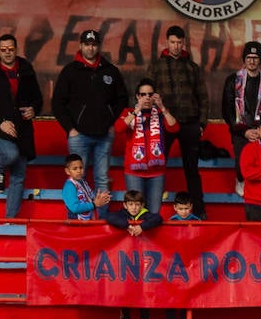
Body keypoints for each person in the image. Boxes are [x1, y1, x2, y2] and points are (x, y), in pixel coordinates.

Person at [0, 33, 43, 220]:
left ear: (16, 49)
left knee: (19, 176)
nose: (7, 53)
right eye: (3, 50)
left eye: (10, 49)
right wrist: (0, 122)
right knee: (10, 154)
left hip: (23, 129)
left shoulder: (27, 69)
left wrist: (33, 110)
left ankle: (10, 220)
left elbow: (38, 99)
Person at [52, 29, 128, 198]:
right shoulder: (70, 71)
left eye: (94, 45)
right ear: (80, 45)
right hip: (78, 136)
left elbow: (122, 100)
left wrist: (111, 124)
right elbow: (57, 103)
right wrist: (70, 129)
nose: (91, 48)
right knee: (77, 180)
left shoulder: (110, 70)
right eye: (87, 44)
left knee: (102, 179)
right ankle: (77, 221)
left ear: (98, 46)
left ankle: (101, 222)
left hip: (104, 135)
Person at [149, 25, 207, 218]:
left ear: (184, 43)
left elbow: (203, 97)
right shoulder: (156, 67)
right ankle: (151, 210)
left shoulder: (192, 67)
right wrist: (152, 124)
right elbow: (146, 95)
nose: (175, 46)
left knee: (192, 170)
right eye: (172, 42)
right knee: (157, 168)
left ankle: (199, 212)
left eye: (179, 42)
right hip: (163, 124)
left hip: (190, 124)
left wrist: (201, 124)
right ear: (167, 42)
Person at [222, 41, 261, 196]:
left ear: (260, 60)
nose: (252, 61)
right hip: (241, 130)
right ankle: (240, 180)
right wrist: (244, 131)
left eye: (255, 57)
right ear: (244, 59)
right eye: (249, 57)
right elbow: (227, 110)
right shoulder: (233, 80)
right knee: (242, 161)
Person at [103, 190, 164, 319]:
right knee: (125, 288)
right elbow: (109, 217)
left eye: (137, 204)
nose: (134, 207)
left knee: (144, 288)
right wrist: (128, 226)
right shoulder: (121, 215)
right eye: (130, 204)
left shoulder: (146, 215)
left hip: (144, 261)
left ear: (142, 205)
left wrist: (141, 227)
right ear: (125, 205)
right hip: (125, 260)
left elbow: (158, 219)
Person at [117, 79, 179, 215]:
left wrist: (162, 107)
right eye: (143, 94)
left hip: (156, 173)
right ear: (137, 96)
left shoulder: (160, 113)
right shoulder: (128, 112)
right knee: (136, 213)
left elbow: (174, 128)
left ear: (155, 96)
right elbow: (119, 128)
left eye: (150, 94)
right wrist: (136, 111)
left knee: (154, 213)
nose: (147, 97)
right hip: (134, 172)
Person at [60, 153, 110, 221]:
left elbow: (91, 198)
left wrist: (99, 198)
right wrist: (94, 204)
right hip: (76, 224)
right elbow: (75, 208)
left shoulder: (83, 182)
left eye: (81, 167)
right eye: (75, 169)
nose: (79, 171)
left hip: (86, 221)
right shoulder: (69, 186)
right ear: (67, 171)